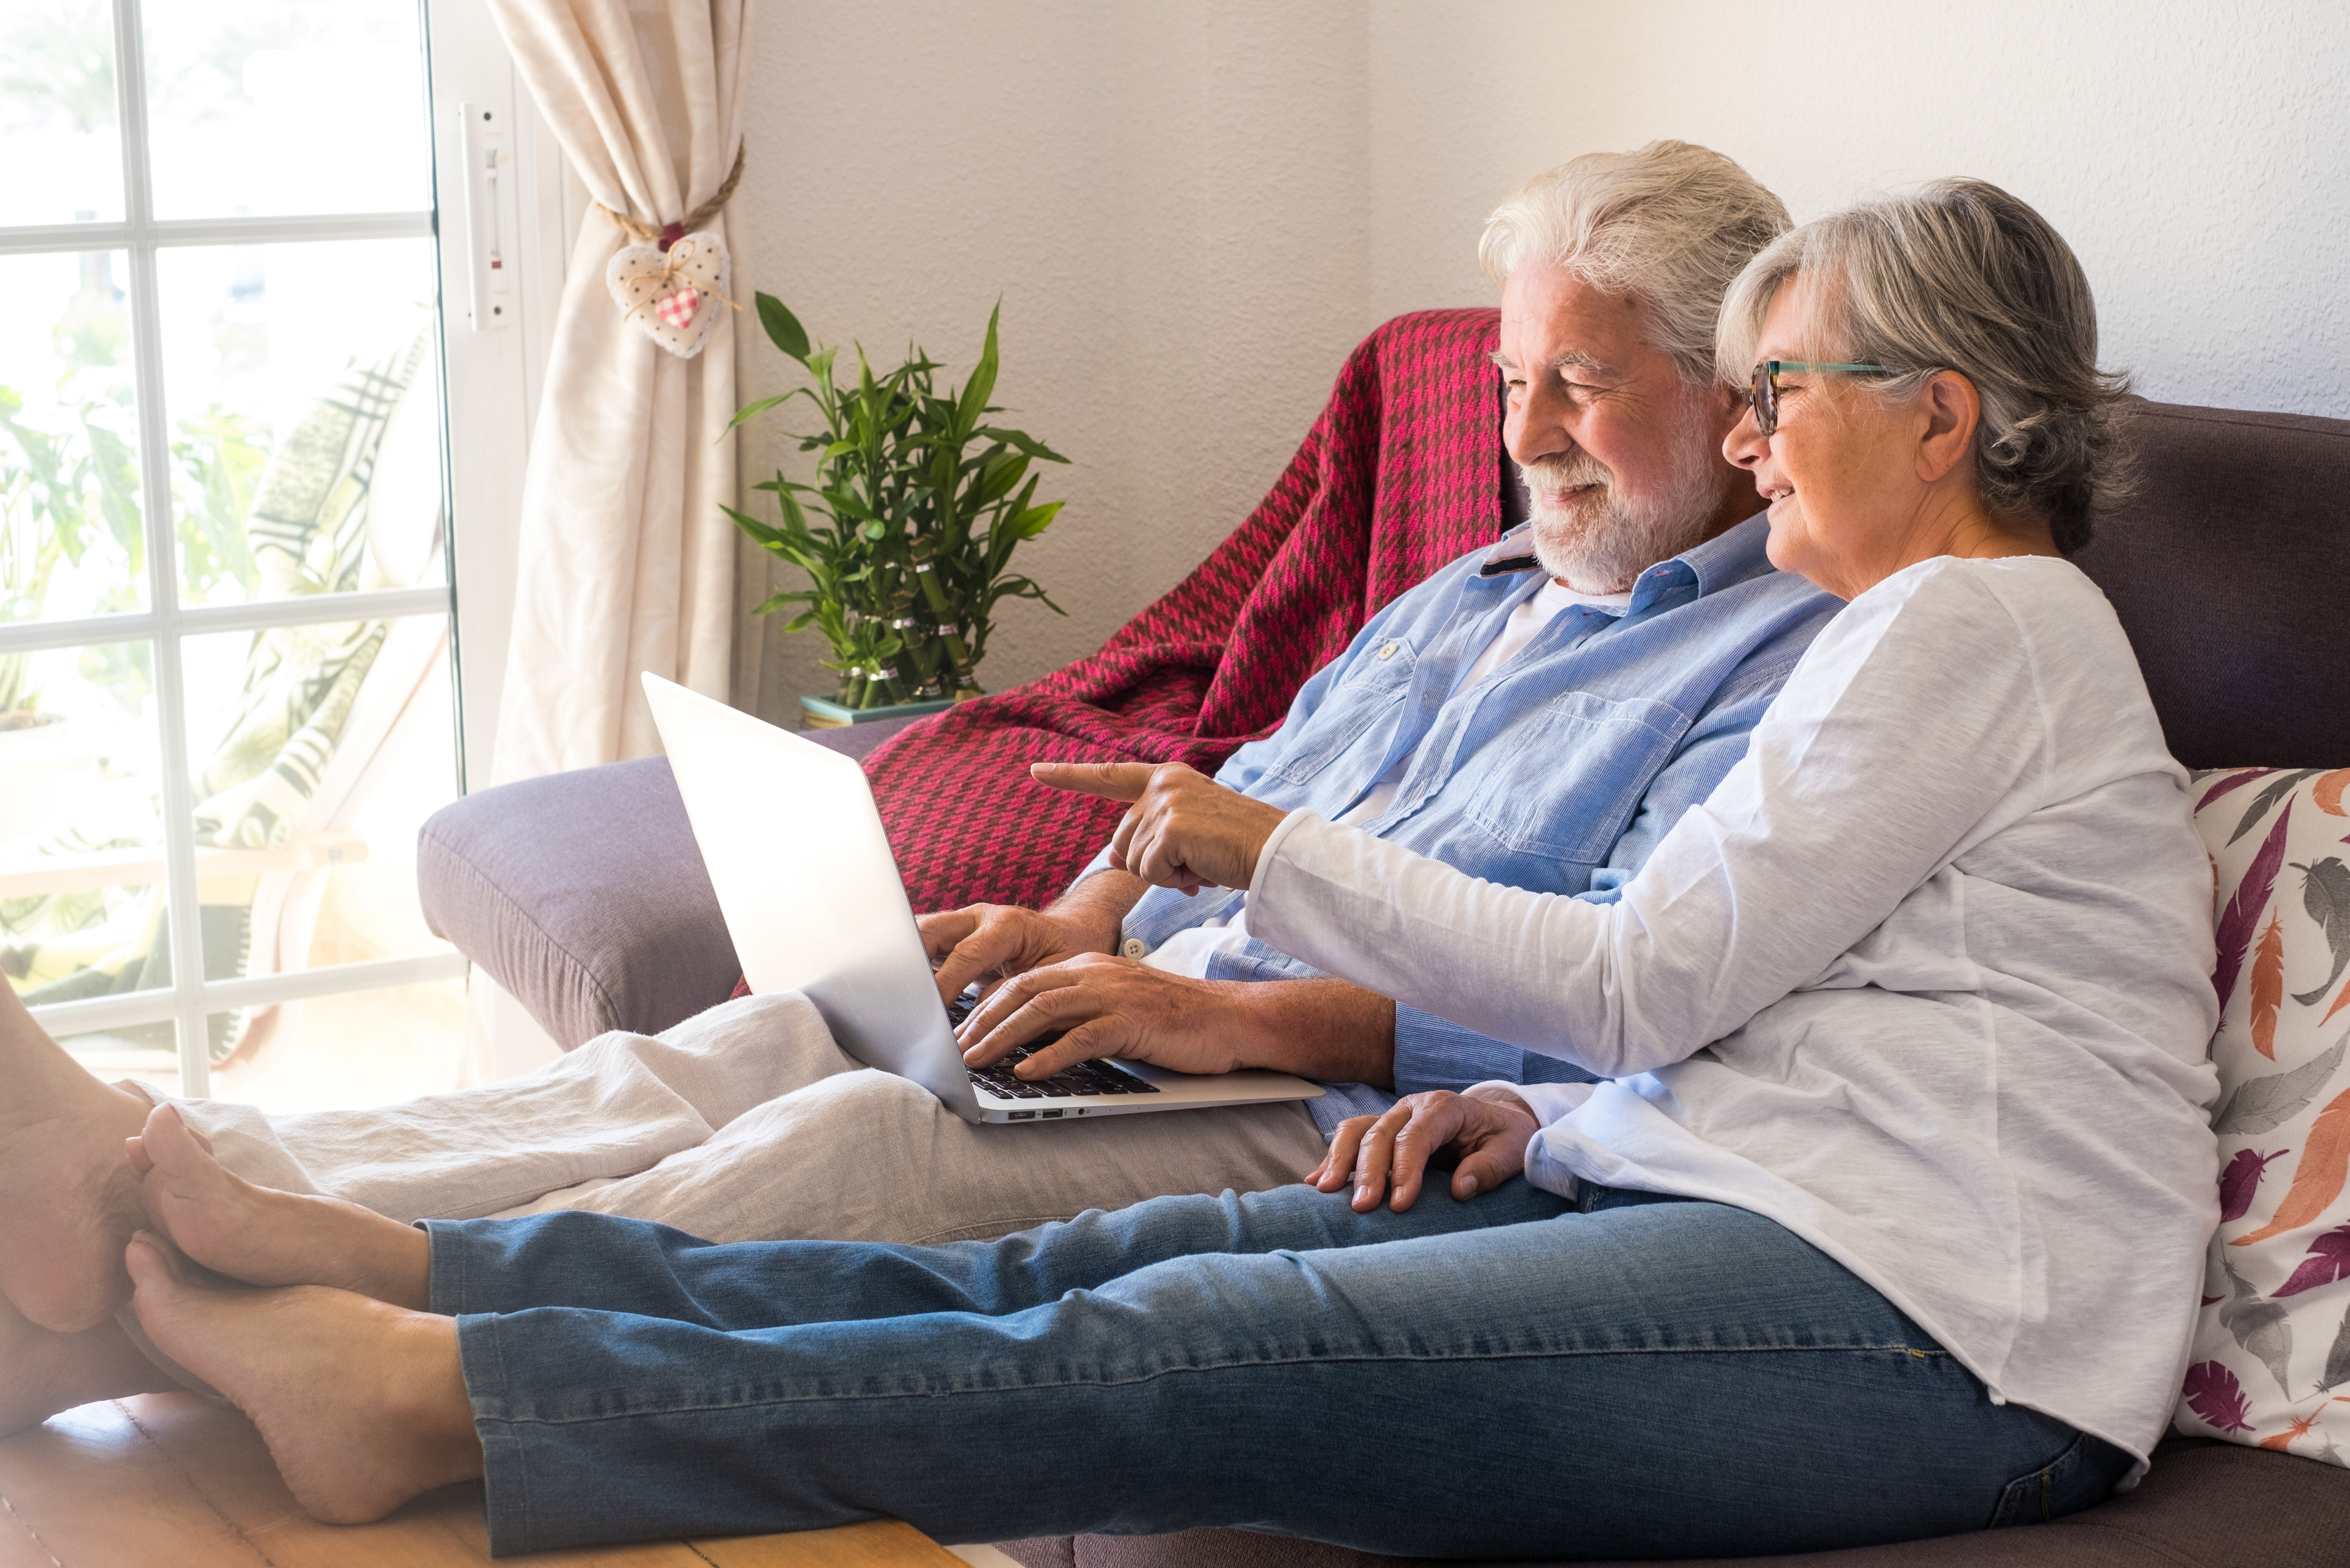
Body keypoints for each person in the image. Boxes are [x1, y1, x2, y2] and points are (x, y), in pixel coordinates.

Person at [114, 177, 2220, 1562]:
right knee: (1078, 1276)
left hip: (1954, 1340)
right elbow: (1766, 1001)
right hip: (1755, 1213)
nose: (1759, 435)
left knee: (1174, 1329)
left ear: (1938, 415)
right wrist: (1534, 1104)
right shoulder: (1918, 637)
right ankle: (428, 1279)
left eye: (1785, 391)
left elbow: (1651, 967)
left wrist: (1284, 864)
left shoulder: (1976, 627)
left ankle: (449, 1389)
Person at [2, 140, 1844, 1434]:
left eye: (1579, 387)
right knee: (746, 1048)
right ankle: (205, 1181)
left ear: (1732, 394)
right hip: (1156, 1004)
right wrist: (1074, 922)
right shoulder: (1478, 589)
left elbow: (1618, 1000)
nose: (1520, 436)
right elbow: (1231, 788)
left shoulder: (1777, 666)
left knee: (866, 1141)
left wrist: (1236, 1016)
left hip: (1313, 1094)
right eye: (1516, 378)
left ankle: (223, 1277)